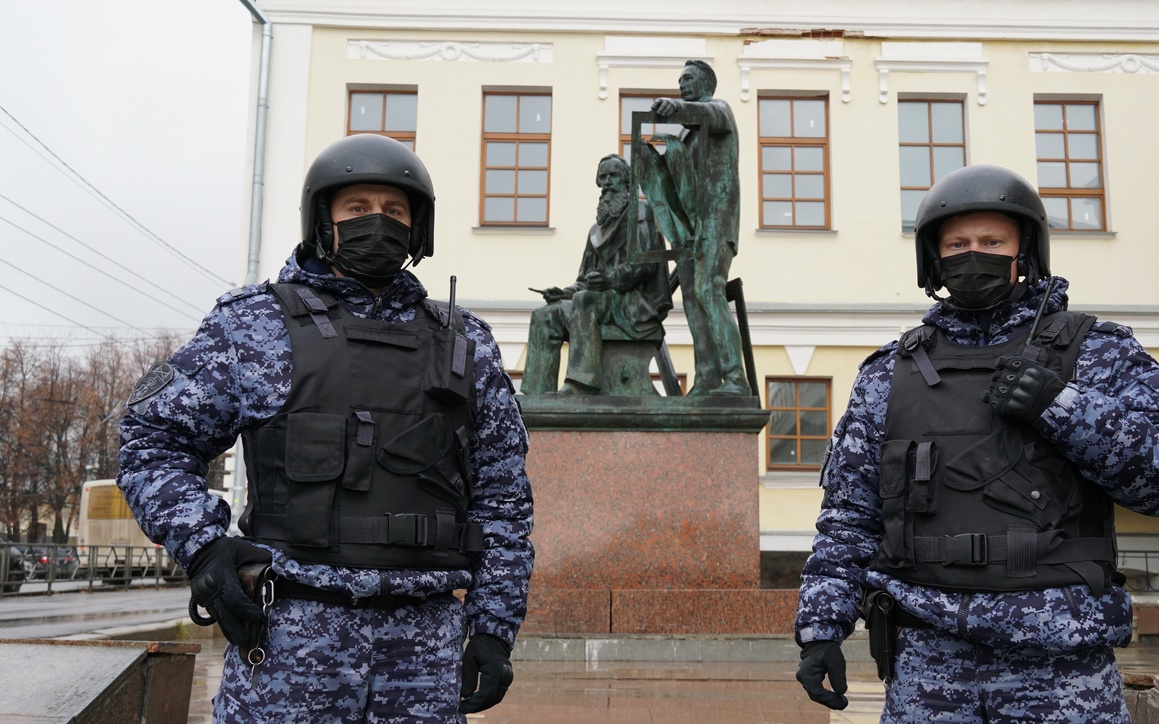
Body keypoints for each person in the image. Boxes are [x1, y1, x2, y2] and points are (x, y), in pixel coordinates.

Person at [117, 133, 534, 722]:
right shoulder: (255, 325)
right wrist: (204, 547)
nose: (377, 222)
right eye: (357, 208)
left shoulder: (467, 343)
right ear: (322, 220)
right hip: (289, 640)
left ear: (417, 227)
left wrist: (492, 626)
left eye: (394, 211)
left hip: (425, 649)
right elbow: (153, 442)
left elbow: (503, 498)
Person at [794, 164, 1159, 721]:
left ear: (1027, 250)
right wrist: (821, 627)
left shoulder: (1096, 353)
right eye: (958, 245)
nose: (974, 255)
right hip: (928, 668)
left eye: (992, 242)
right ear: (933, 259)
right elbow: (850, 518)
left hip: (1062, 670)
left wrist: (1062, 406)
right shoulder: (888, 374)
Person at [634, 59, 749, 396]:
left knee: (708, 290)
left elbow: (710, 115)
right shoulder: (689, 135)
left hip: (716, 221)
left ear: (706, 84)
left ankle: (736, 378)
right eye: (680, 80)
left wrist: (677, 108)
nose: (681, 84)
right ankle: (708, 377)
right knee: (692, 300)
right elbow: (678, 173)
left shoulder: (719, 110)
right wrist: (651, 155)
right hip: (690, 228)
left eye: (688, 78)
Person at [522, 154, 670, 394]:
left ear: (627, 181)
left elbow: (646, 264)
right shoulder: (596, 230)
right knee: (545, 314)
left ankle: (581, 384)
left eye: (614, 176)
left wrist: (610, 279)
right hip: (603, 301)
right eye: (603, 177)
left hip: (633, 303)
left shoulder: (641, 213)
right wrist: (563, 293)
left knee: (585, 300)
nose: (607, 182)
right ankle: (537, 391)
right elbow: (585, 280)